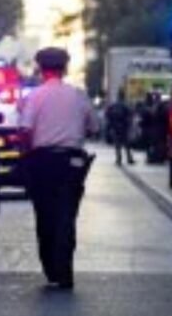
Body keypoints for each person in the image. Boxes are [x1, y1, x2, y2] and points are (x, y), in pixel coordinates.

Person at [18, 47, 98, 289]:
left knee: (44, 214)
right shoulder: (78, 95)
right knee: (67, 215)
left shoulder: (34, 97)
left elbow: (24, 130)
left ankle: (51, 270)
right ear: (65, 68)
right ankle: (64, 269)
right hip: (71, 162)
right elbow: (94, 127)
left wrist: (25, 155)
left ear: (40, 69)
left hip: (42, 161)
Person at [104, 90, 135, 166]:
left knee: (117, 144)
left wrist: (111, 125)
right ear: (123, 96)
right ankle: (129, 158)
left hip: (115, 127)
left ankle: (118, 159)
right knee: (127, 144)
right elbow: (130, 115)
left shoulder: (113, 105)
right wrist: (129, 125)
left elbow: (107, 115)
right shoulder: (125, 105)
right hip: (123, 127)